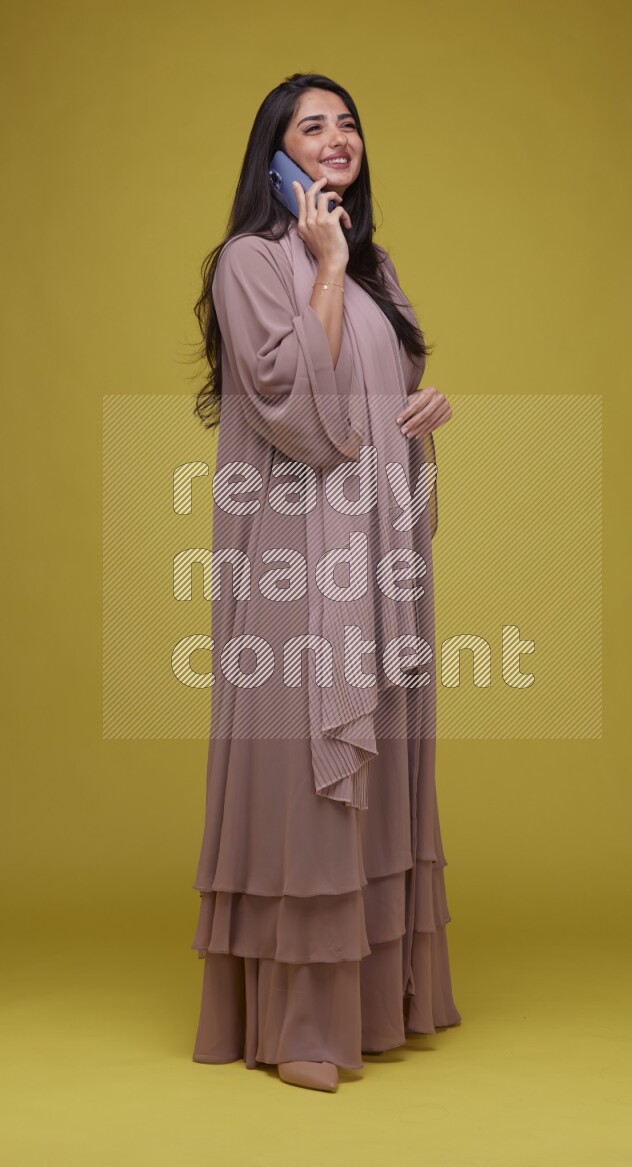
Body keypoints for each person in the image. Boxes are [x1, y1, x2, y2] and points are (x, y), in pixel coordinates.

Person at [190, 72, 460, 1093]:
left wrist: (420, 416)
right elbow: (290, 408)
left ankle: (378, 1001)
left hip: (379, 553)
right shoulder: (252, 262)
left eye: (346, 123)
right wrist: (322, 264)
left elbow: (368, 405)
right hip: (296, 554)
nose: (337, 137)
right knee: (307, 773)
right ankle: (300, 1020)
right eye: (312, 126)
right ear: (276, 152)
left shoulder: (376, 266)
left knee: (379, 758)